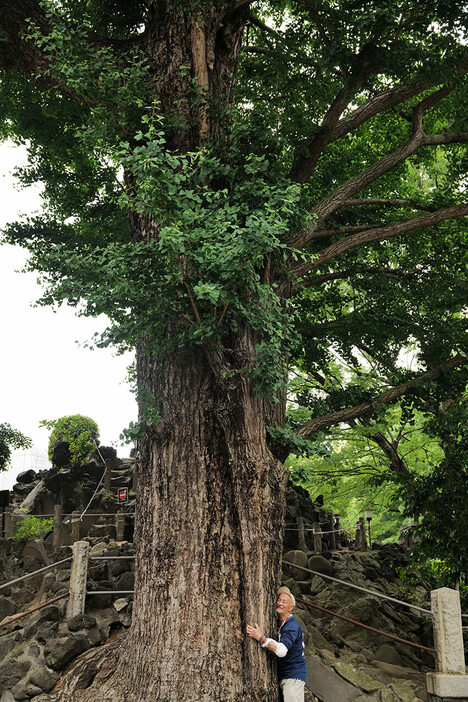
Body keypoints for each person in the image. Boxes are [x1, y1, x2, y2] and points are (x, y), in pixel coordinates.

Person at [246, 586, 307, 702]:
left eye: (284, 602)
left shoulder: (292, 626)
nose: (280, 603)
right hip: (284, 675)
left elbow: (282, 651)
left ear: (291, 607)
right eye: (279, 600)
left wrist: (261, 638)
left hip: (293, 675)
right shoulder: (279, 622)